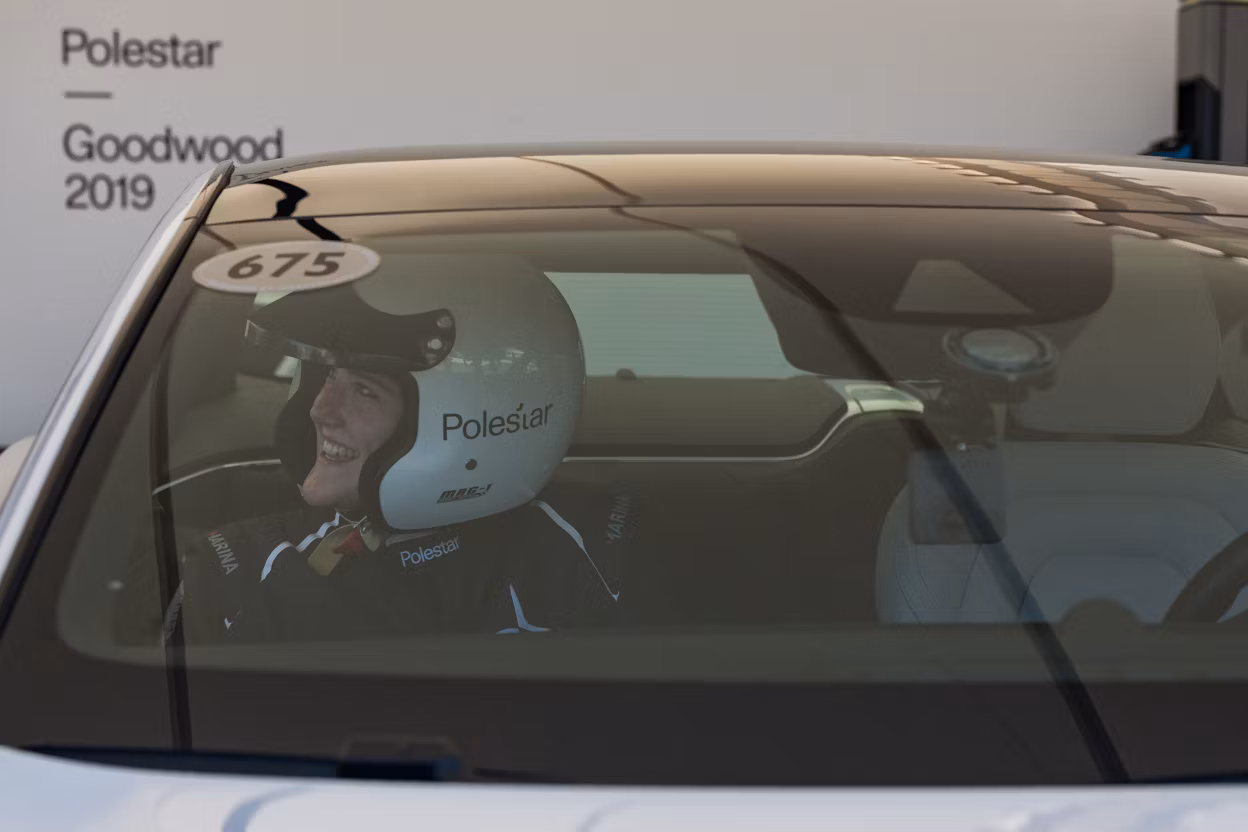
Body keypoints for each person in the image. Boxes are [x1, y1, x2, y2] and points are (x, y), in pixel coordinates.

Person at [125, 252, 624, 643]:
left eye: (364, 390)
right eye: (325, 377)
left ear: (472, 414)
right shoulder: (225, 565)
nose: (320, 410)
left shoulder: (595, 568)